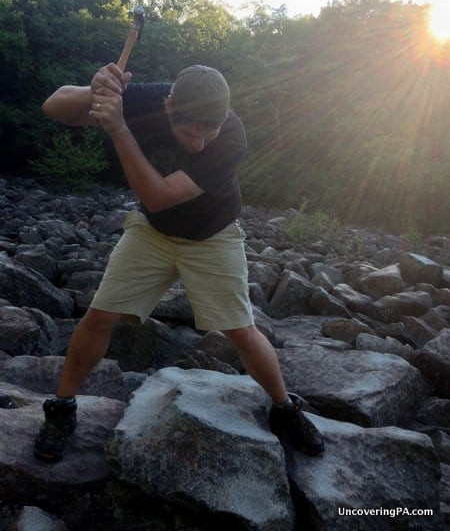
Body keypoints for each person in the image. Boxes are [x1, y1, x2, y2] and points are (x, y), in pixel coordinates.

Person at [34, 63, 325, 461]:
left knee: (241, 331)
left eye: (211, 131)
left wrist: (118, 128)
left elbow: (157, 195)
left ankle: (284, 408)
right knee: (99, 315)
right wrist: (94, 90)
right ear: (170, 106)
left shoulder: (231, 139)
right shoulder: (146, 100)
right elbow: (54, 107)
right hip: (151, 233)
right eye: (191, 132)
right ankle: (62, 407)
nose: (201, 143)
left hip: (212, 236)